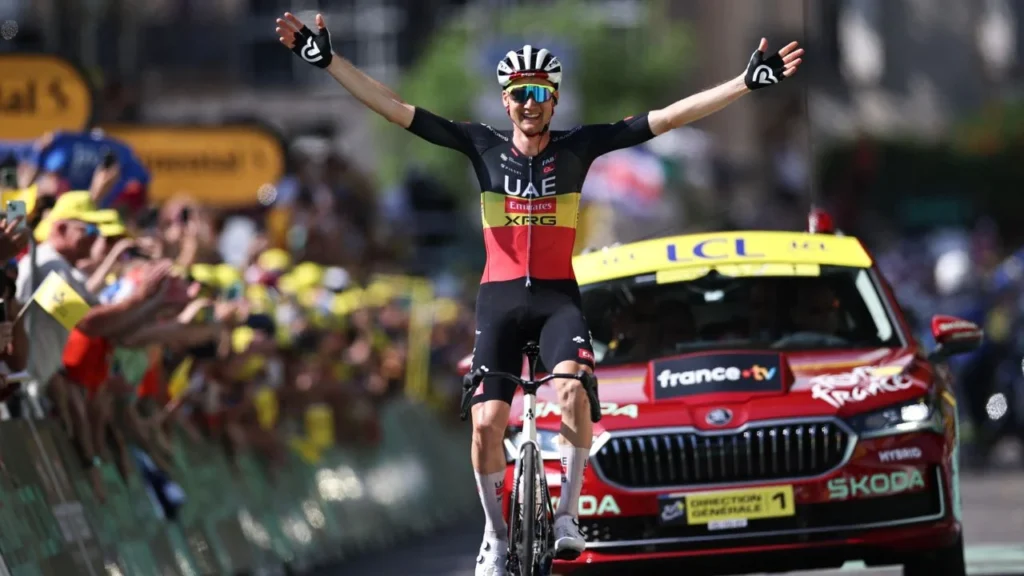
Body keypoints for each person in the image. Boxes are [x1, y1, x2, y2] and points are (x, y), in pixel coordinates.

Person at [276, 12, 802, 574]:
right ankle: (496, 536)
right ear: (505, 101)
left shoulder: (580, 147)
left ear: (554, 100)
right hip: (499, 301)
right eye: (519, 93)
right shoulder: (480, 145)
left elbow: (668, 117)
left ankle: (568, 515)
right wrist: (329, 62)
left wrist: (744, 83)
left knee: (573, 391)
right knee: (486, 423)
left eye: (540, 92)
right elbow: (393, 107)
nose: (530, 102)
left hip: (556, 301)